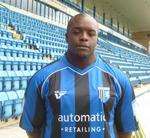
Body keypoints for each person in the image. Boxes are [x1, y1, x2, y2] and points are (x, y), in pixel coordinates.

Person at [19, 13, 138, 138]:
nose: (84, 38)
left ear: (97, 40)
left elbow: (125, 130)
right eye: (77, 32)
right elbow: (33, 130)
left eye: (91, 33)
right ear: (66, 37)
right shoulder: (41, 79)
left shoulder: (119, 80)